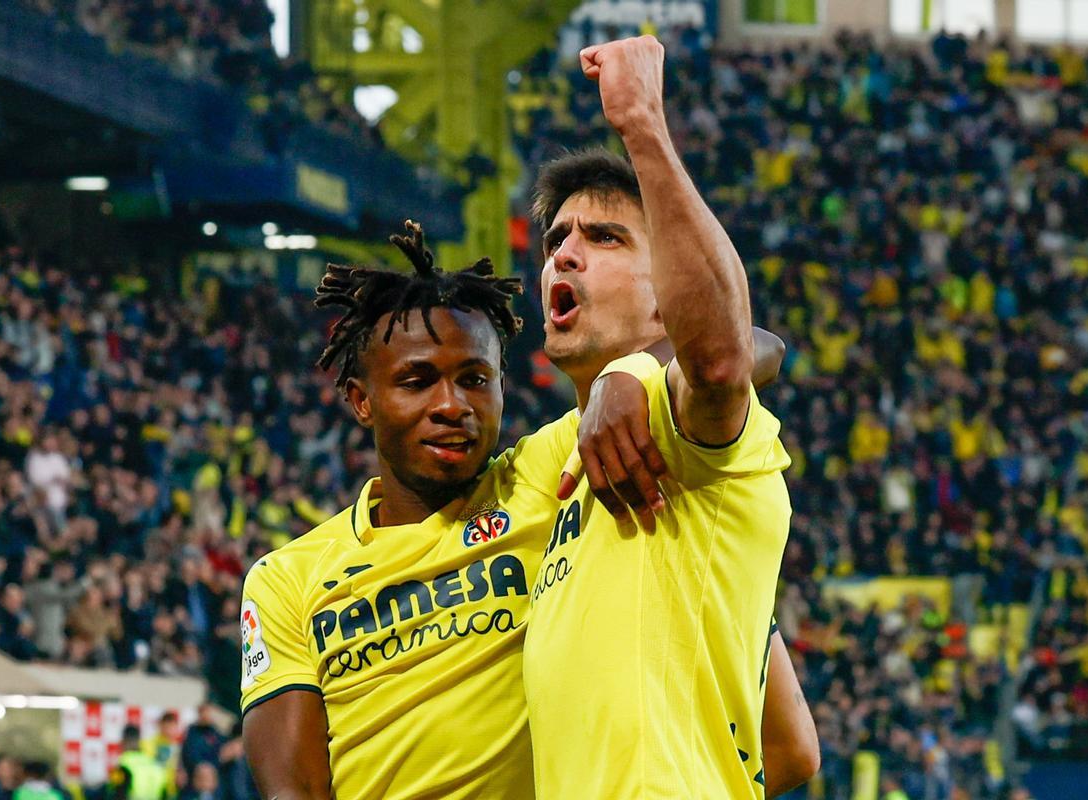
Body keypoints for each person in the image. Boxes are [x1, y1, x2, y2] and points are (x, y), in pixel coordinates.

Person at [239, 220, 808, 799]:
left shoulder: (552, 476)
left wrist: (626, 371)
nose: (450, 405)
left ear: (503, 388)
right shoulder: (288, 579)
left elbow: (748, 347)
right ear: (363, 400)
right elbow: (294, 792)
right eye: (417, 381)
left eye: (474, 379)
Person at [521, 36, 804, 798]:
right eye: (556, 242)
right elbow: (796, 751)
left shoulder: (684, 432)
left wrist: (642, 122)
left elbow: (722, 360)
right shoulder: (556, 466)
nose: (565, 256)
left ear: (666, 291)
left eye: (604, 237)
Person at [115, 726, 168, 800]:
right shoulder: (153, 762)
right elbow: (164, 793)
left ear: (124, 741)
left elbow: (118, 792)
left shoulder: (125, 762)